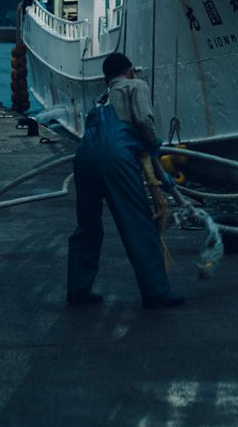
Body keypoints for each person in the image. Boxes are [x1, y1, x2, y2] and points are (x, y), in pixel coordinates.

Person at [66, 53, 184, 309]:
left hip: (84, 157)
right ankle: (156, 292)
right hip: (115, 157)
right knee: (137, 222)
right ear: (130, 72)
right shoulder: (135, 85)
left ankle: (78, 288)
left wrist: (161, 177)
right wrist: (154, 143)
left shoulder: (102, 98)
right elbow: (142, 120)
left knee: (87, 225)